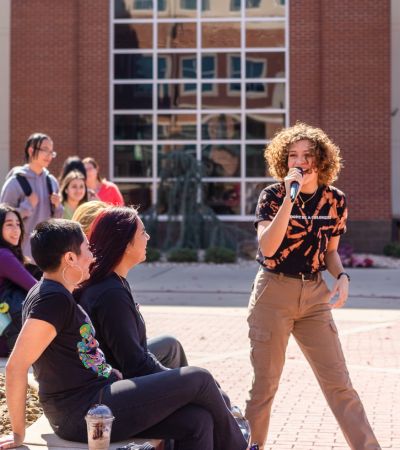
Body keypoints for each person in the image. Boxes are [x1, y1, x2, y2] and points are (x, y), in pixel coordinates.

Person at [0, 219, 247, 450]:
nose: (92, 256)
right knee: (199, 378)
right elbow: (16, 366)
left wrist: (107, 370)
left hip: (96, 399)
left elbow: (72, 354)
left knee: (197, 420)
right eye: (87, 249)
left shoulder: (53, 292)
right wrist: (19, 433)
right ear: (70, 258)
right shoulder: (51, 299)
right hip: (83, 412)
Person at [245, 122, 381, 449]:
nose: (300, 161)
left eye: (307, 154)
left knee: (339, 384)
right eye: (293, 154)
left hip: (315, 296)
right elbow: (268, 248)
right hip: (273, 293)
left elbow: (330, 251)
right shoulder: (273, 196)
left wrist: (343, 277)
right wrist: (289, 200)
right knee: (264, 387)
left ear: (320, 160)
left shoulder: (336, 201)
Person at [76, 207, 189, 376]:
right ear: (127, 245)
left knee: (170, 345)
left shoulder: (113, 280)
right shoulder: (111, 294)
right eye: (143, 232)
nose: (148, 237)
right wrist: (186, 381)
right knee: (199, 381)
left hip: (120, 366)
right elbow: (135, 365)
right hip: (114, 383)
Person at [0, 133, 63, 259]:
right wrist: (26, 207)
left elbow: (56, 220)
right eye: (45, 149)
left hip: (45, 255)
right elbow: (2, 219)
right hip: (20, 256)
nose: (49, 155)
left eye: (51, 152)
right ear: (31, 150)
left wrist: (57, 207)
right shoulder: (15, 182)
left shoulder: (52, 182)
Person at [0, 204, 38, 353]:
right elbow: (34, 287)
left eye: (18, 224)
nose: (16, 230)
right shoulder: (4, 256)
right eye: (9, 225)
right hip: (6, 337)